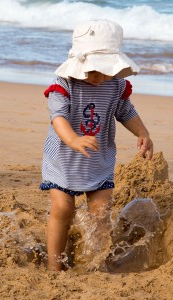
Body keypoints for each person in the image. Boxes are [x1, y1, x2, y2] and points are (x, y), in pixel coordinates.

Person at [40, 19, 153, 271]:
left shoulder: (115, 85)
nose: (99, 77)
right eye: (93, 70)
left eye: (105, 70)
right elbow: (57, 117)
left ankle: (94, 261)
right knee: (62, 208)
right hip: (64, 160)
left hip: (98, 160)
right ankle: (53, 265)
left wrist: (142, 132)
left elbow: (126, 111)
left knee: (101, 213)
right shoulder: (64, 84)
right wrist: (73, 139)